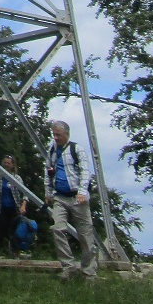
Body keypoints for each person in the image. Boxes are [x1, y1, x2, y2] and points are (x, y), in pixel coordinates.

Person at [45, 119, 98, 281]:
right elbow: (48, 171)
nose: (56, 137)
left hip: (77, 197)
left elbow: (85, 172)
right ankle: (68, 266)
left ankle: (88, 271)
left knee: (85, 234)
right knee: (57, 228)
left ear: (66, 134)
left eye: (58, 134)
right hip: (60, 196)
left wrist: (82, 192)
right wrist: (48, 192)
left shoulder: (77, 149)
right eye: (54, 134)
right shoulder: (52, 150)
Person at [0, 155, 27, 255]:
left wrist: (23, 206)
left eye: (8, 163)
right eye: (5, 162)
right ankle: (0, 250)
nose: (6, 164)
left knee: (14, 229)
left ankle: (15, 250)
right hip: (1, 207)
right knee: (1, 228)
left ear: (12, 165)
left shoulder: (17, 178)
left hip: (14, 208)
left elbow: (25, 193)